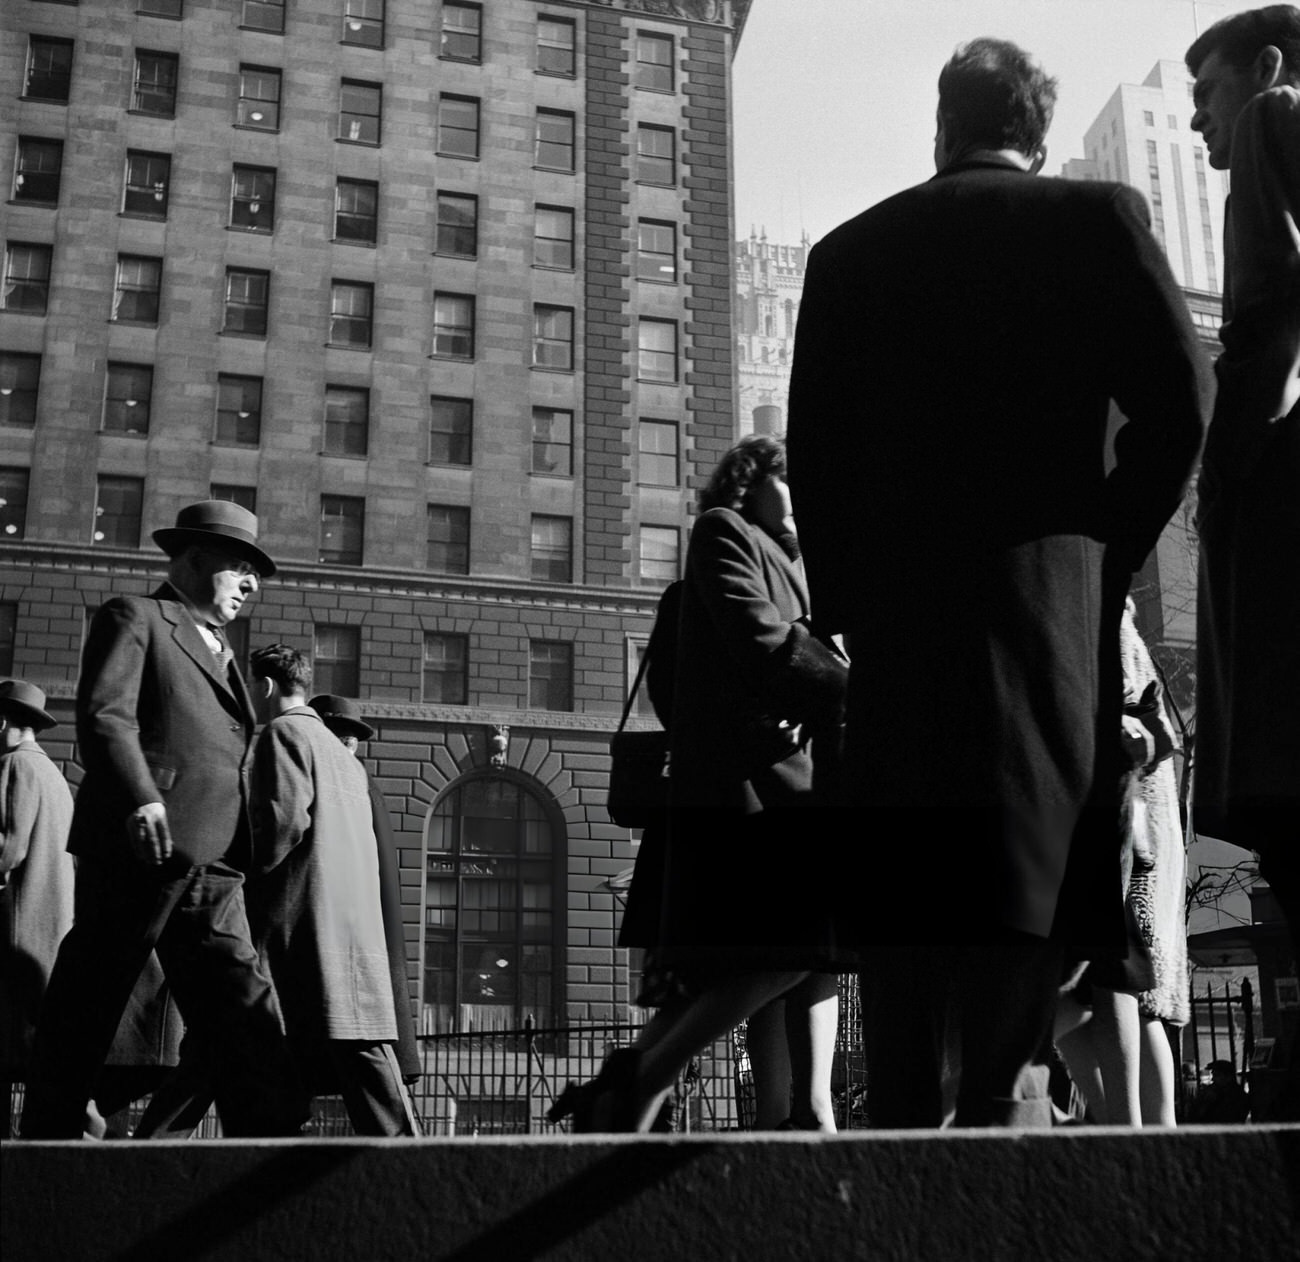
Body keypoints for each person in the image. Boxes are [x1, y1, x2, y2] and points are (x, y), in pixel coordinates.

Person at [787, 38, 1212, 1128]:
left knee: (905, 952)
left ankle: (897, 1165)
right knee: (1028, 944)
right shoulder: (1097, 221)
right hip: (1046, 632)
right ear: (1035, 131)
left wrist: (846, 609)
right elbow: (1185, 400)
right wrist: (1105, 549)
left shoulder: (846, 259)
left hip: (901, 658)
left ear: (941, 128)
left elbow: (817, 461)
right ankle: (1007, 1126)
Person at [563, 436, 850, 1133]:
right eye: (786, 476)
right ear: (750, 481)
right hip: (746, 787)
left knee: (804, 957)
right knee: (791, 948)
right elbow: (760, 645)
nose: (800, 496)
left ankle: (798, 1112)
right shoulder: (725, 532)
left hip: (796, 785)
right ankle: (644, 1079)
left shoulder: (801, 567)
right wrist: (844, 686)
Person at [19, 501, 308, 1139]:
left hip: (215, 861)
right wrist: (140, 797)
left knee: (241, 998)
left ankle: (271, 1142)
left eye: (256, 573)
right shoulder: (139, 616)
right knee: (93, 994)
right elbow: (105, 716)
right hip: (141, 845)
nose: (252, 583)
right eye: (240, 567)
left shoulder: (229, 653)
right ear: (195, 558)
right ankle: (47, 1141)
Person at [1185, 5, 1300, 1120]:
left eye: (1206, 89)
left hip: (1282, 495)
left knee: (1277, 764)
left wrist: (1220, 478)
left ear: (1260, 69)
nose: (1200, 117)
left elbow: (1260, 313)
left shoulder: (1276, 117)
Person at [247, 647, 417, 1136]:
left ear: (265, 687)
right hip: (349, 928)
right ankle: (409, 1158)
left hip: (298, 920)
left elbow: (281, 825)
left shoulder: (283, 734)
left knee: (241, 1037)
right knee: (361, 1051)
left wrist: (244, 872)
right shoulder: (345, 760)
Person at [1055, 601, 1188, 1126]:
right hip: (1123, 817)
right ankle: (1137, 1128)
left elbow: (1136, 722)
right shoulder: (1106, 612)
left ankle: (1131, 1127)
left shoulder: (1097, 612)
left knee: (1113, 978)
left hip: (1117, 819)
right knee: (1114, 983)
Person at [307, 693, 423, 1089]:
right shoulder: (352, 780)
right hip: (354, 934)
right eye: (339, 733)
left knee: (361, 1040)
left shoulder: (349, 781)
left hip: (352, 932)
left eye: (351, 737)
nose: (346, 742)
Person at [1, 681, 74, 1137]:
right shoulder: (53, 775)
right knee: (44, 1056)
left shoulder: (12, 766)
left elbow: (7, 848)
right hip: (50, 934)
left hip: (13, 932)